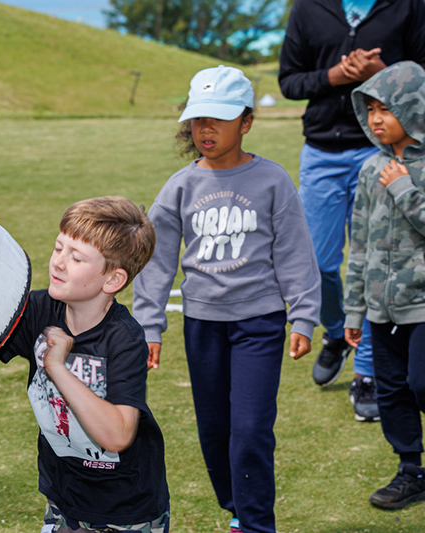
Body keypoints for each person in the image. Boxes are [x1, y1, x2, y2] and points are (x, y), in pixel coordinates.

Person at [133, 65, 321, 533]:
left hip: (259, 322)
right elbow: (156, 261)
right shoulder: (180, 186)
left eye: (217, 119)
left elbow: (296, 252)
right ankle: (237, 509)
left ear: (247, 121)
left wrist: (302, 317)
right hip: (203, 325)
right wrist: (149, 326)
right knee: (215, 432)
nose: (205, 130)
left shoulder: (273, 181)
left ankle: (257, 525)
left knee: (251, 430)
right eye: (198, 120)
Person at [279, 0, 425, 422]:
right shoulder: (307, 8)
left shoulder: (409, 5)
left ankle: (366, 373)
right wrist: (338, 76)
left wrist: (379, 78)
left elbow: (421, 75)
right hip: (322, 151)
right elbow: (289, 81)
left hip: (381, 153)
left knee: (380, 259)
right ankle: (338, 331)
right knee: (319, 264)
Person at [0, 197, 170, 533]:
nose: (59, 263)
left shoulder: (125, 339)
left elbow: (118, 435)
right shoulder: (39, 309)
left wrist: (57, 366)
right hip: (64, 498)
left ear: (112, 280)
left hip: (127, 510)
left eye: (76, 257)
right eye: (59, 248)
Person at [344, 61, 425, 510]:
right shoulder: (370, 168)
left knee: (421, 383)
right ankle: (411, 470)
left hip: (423, 304)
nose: (376, 118)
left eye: (387, 108)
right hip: (381, 308)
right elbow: (358, 244)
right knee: (391, 391)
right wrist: (355, 309)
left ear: (413, 107)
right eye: (370, 108)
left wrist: (405, 190)